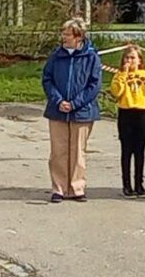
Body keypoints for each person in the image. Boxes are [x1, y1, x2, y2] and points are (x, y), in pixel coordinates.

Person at [42, 21, 102, 203]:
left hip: (82, 111)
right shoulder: (56, 56)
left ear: (79, 37)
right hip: (57, 110)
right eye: (63, 33)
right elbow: (47, 79)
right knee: (58, 151)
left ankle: (77, 188)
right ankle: (59, 188)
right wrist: (58, 100)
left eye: (68, 34)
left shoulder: (91, 57)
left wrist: (75, 103)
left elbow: (94, 84)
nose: (64, 37)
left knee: (78, 151)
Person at [109, 42, 145, 196]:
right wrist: (123, 74)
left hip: (142, 113)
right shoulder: (119, 75)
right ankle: (126, 185)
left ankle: (139, 184)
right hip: (126, 113)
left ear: (140, 60)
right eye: (127, 58)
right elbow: (116, 92)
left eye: (133, 58)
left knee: (140, 150)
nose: (130, 61)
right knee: (126, 150)